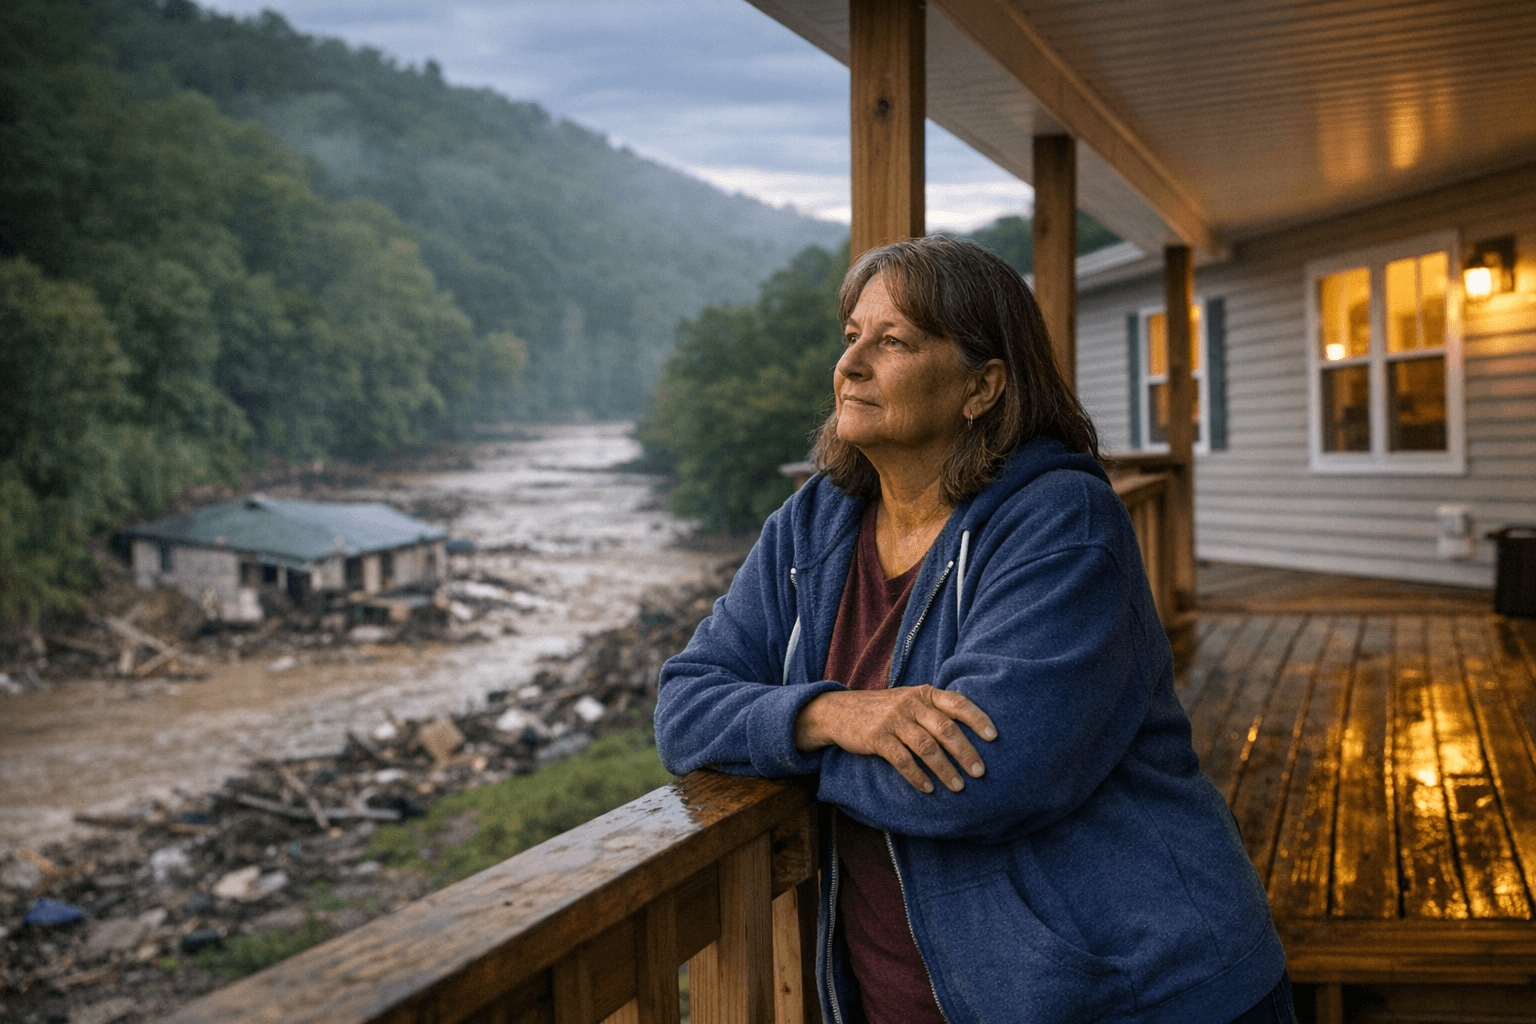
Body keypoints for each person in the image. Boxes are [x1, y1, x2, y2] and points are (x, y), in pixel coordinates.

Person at [654, 235, 1293, 1024]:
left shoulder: (1061, 523)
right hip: (902, 1000)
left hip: (1133, 993)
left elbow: (981, 777)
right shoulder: (812, 524)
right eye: (851, 335)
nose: (850, 364)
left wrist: (783, 753)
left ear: (982, 386)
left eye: (893, 341)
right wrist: (831, 716)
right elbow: (683, 708)